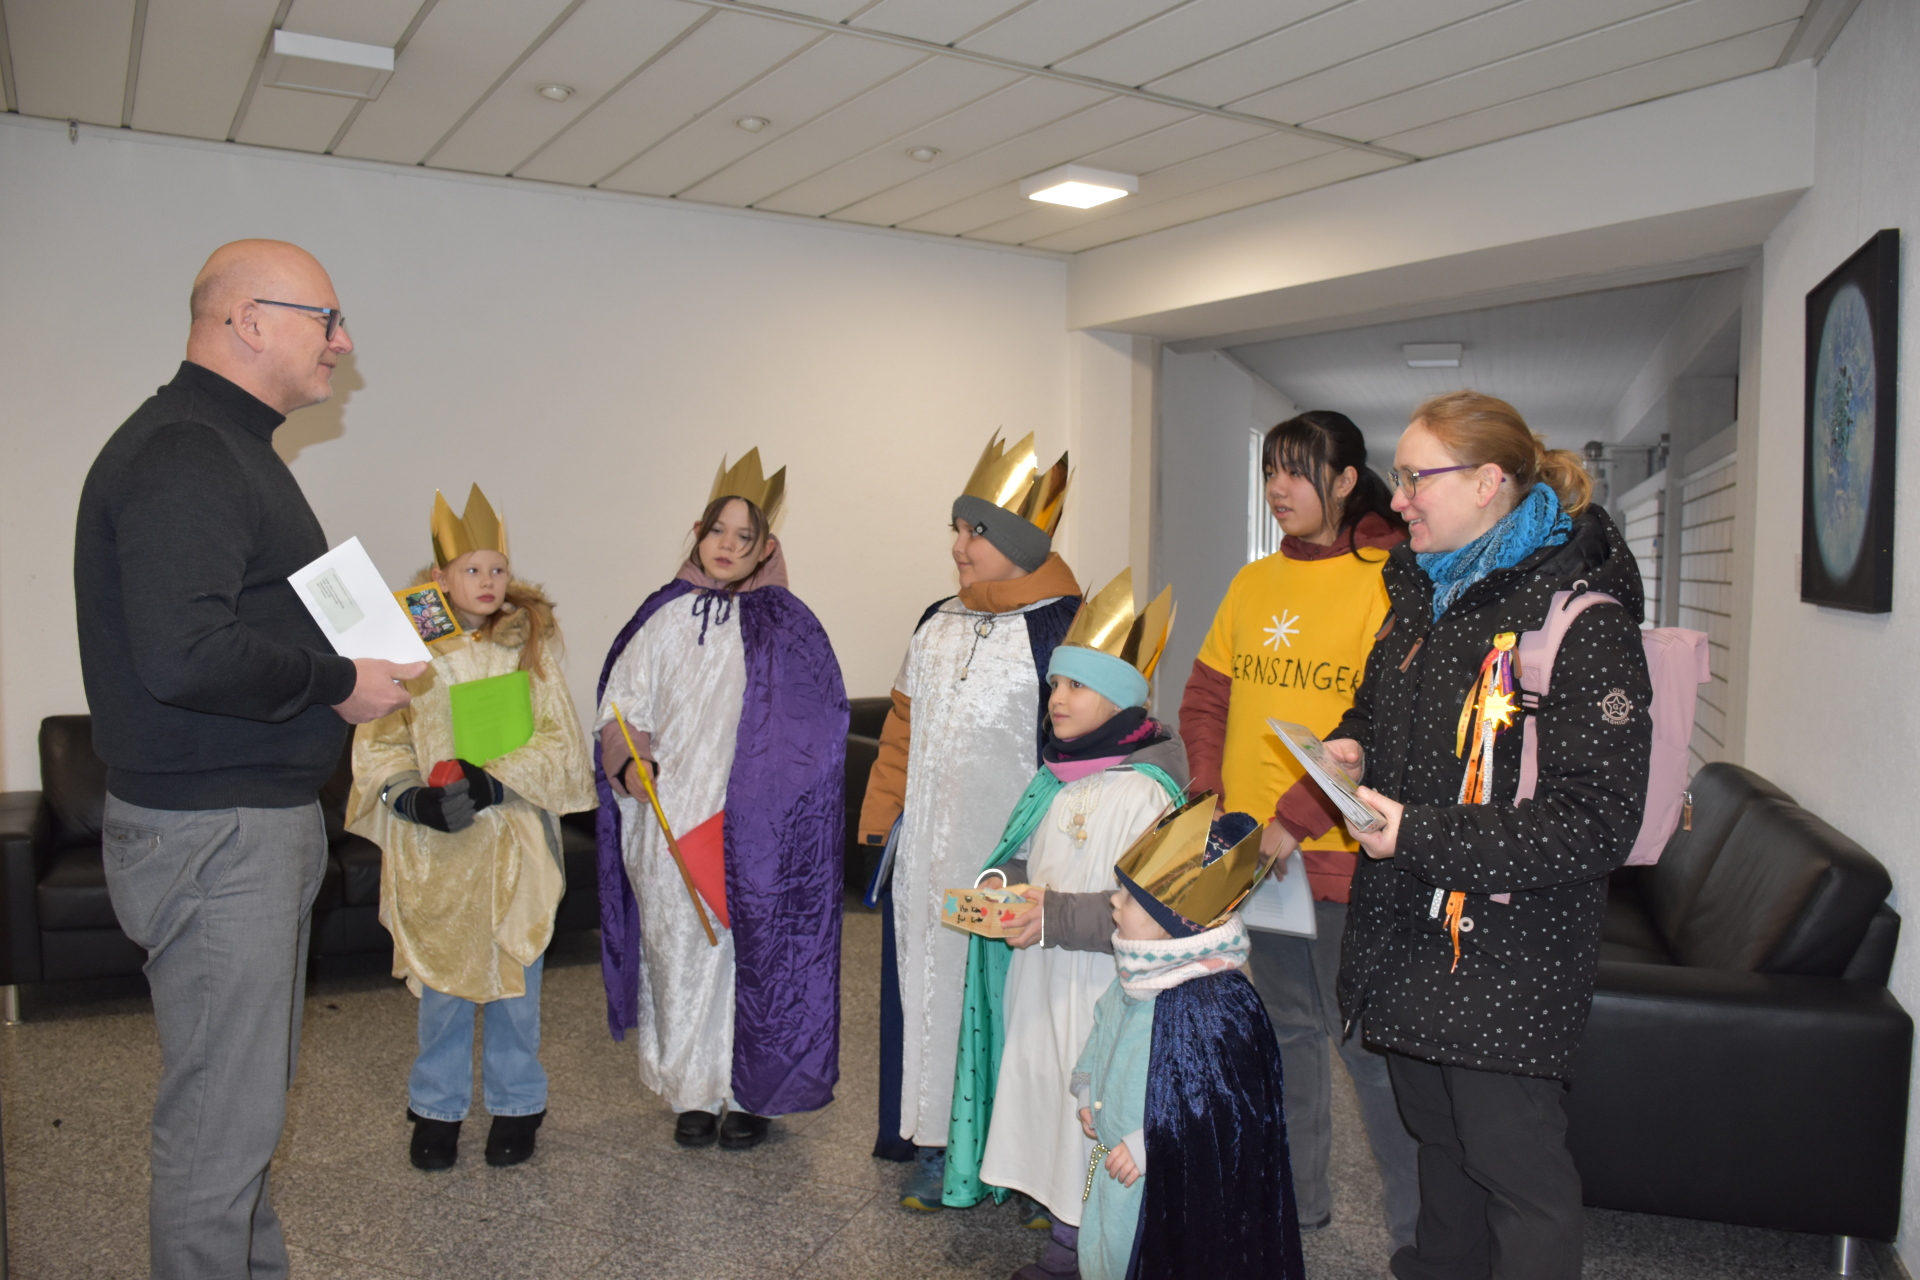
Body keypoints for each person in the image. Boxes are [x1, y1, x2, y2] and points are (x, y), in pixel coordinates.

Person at [73, 239, 421, 1279]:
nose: (344, 341)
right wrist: (336, 681)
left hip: (230, 823)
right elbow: (185, 653)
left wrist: (347, 653)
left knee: (237, 1112)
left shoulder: (221, 444)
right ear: (246, 322)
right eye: (327, 318)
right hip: (220, 833)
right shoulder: (189, 452)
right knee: (219, 1128)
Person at [1318, 391, 1652, 1280]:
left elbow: (1595, 822)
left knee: (1517, 1172)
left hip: (1510, 954)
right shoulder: (1421, 598)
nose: (1399, 500)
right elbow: (1386, 710)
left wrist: (1417, 834)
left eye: (1418, 477)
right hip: (1409, 935)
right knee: (1440, 1145)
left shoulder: (1585, 625)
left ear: (1490, 481)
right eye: (1400, 477)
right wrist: (1353, 743)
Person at [1178, 409, 1419, 1247]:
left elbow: (1378, 726)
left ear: (1347, 481)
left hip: (1339, 855)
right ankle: (1297, 1207)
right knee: (1284, 1036)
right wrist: (1213, 796)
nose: (1279, 486)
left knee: (1366, 1049)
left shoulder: (1390, 581)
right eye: (1271, 470)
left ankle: (1418, 1240)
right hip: (1253, 855)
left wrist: (1293, 821)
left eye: (1298, 470)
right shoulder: (1252, 582)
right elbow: (1208, 697)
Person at [594, 451, 847, 1151]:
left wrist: (779, 806)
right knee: (678, 952)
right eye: (719, 531)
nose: (729, 547)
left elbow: (816, 727)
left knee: (750, 955)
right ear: (698, 531)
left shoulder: (790, 626)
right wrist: (630, 755)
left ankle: (749, 1093)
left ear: (767, 546)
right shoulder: (661, 617)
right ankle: (692, 1092)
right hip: (669, 819)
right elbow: (621, 704)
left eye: (746, 536)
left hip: (752, 828)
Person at [941, 570, 1189, 1280]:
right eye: (1055, 686)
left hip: (1099, 984)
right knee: (1050, 1106)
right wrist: (1003, 890)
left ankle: (1085, 1251)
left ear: (1121, 697)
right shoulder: (1060, 775)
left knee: (1090, 1111)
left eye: (1077, 686)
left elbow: (1144, 907)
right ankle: (1064, 1234)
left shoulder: (1145, 791)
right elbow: (1027, 857)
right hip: (1043, 973)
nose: (1058, 700)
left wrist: (1048, 915)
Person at [855, 431, 1080, 1209]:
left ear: (1017, 543)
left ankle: (1024, 1167)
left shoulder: (1060, 628)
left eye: (973, 532)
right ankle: (936, 1141)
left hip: (1014, 862)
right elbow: (901, 730)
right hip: (929, 858)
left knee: (1015, 1006)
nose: (957, 546)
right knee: (934, 995)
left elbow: (1083, 751)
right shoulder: (936, 620)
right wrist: (882, 821)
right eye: (956, 529)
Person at [347, 485, 595, 1171]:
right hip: (439, 851)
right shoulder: (409, 656)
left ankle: (517, 1104)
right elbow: (379, 744)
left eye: (497, 569)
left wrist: (497, 778)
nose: (488, 583)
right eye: (472, 570)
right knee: (445, 991)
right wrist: (411, 799)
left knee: (518, 989)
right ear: (439, 579)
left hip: (514, 846)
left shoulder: (526, 650)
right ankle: (437, 1107)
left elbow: (560, 743)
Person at [1076, 798, 1306, 1280]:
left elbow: (1222, 1111)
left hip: (1160, 1175)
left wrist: (1150, 1144)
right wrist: (1086, 1087)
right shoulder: (1136, 975)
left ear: (1168, 923)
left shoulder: (1214, 1004)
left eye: (1129, 897)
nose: (1113, 902)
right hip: (1114, 1161)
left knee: (1144, 1252)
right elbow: (1102, 1030)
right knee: (1104, 1243)